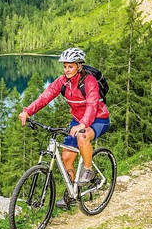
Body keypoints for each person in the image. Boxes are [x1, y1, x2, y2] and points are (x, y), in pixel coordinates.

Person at [18, 47, 110, 209]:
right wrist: (28, 111)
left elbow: (92, 105)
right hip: (78, 121)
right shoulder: (62, 82)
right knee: (67, 157)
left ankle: (88, 170)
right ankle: (72, 192)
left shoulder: (89, 82)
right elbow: (45, 96)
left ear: (79, 66)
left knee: (82, 137)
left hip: (98, 119)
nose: (66, 70)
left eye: (70, 66)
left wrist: (83, 124)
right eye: (65, 66)